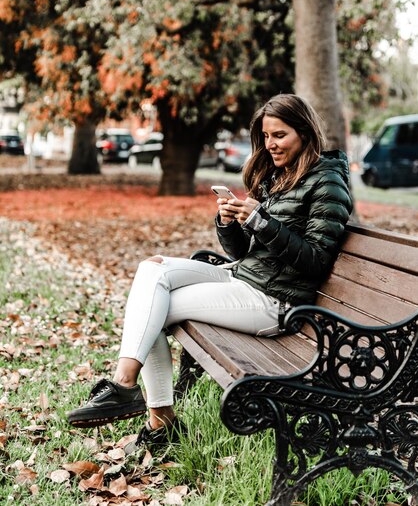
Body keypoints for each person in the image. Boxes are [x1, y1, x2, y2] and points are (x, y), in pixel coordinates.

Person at [67, 94, 353, 451]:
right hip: (244, 276)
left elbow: (316, 260)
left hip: (275, 301)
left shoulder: (327, 183)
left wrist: (261, 222)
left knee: (153, 311)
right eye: (265, 136)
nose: (270, 145)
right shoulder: (280, 175)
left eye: (279, 135)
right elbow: (240, 252)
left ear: (305, 133)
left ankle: (150, 412)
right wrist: (228, 221)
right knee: (152, 269)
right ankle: (133, 395)